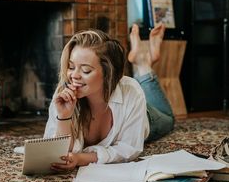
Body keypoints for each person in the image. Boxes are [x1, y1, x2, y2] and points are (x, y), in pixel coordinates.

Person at [44, 23, 174, 172]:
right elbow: (54, 153)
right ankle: (142, 62)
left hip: (147, 116)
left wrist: (81, 159)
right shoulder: (63, 93)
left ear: (108, 74)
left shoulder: (131, 91)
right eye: (71, 67)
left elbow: (129, 149)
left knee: (169, 120)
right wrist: (64, 117)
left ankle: (143, 65)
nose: (74, 75)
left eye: (86, 70)